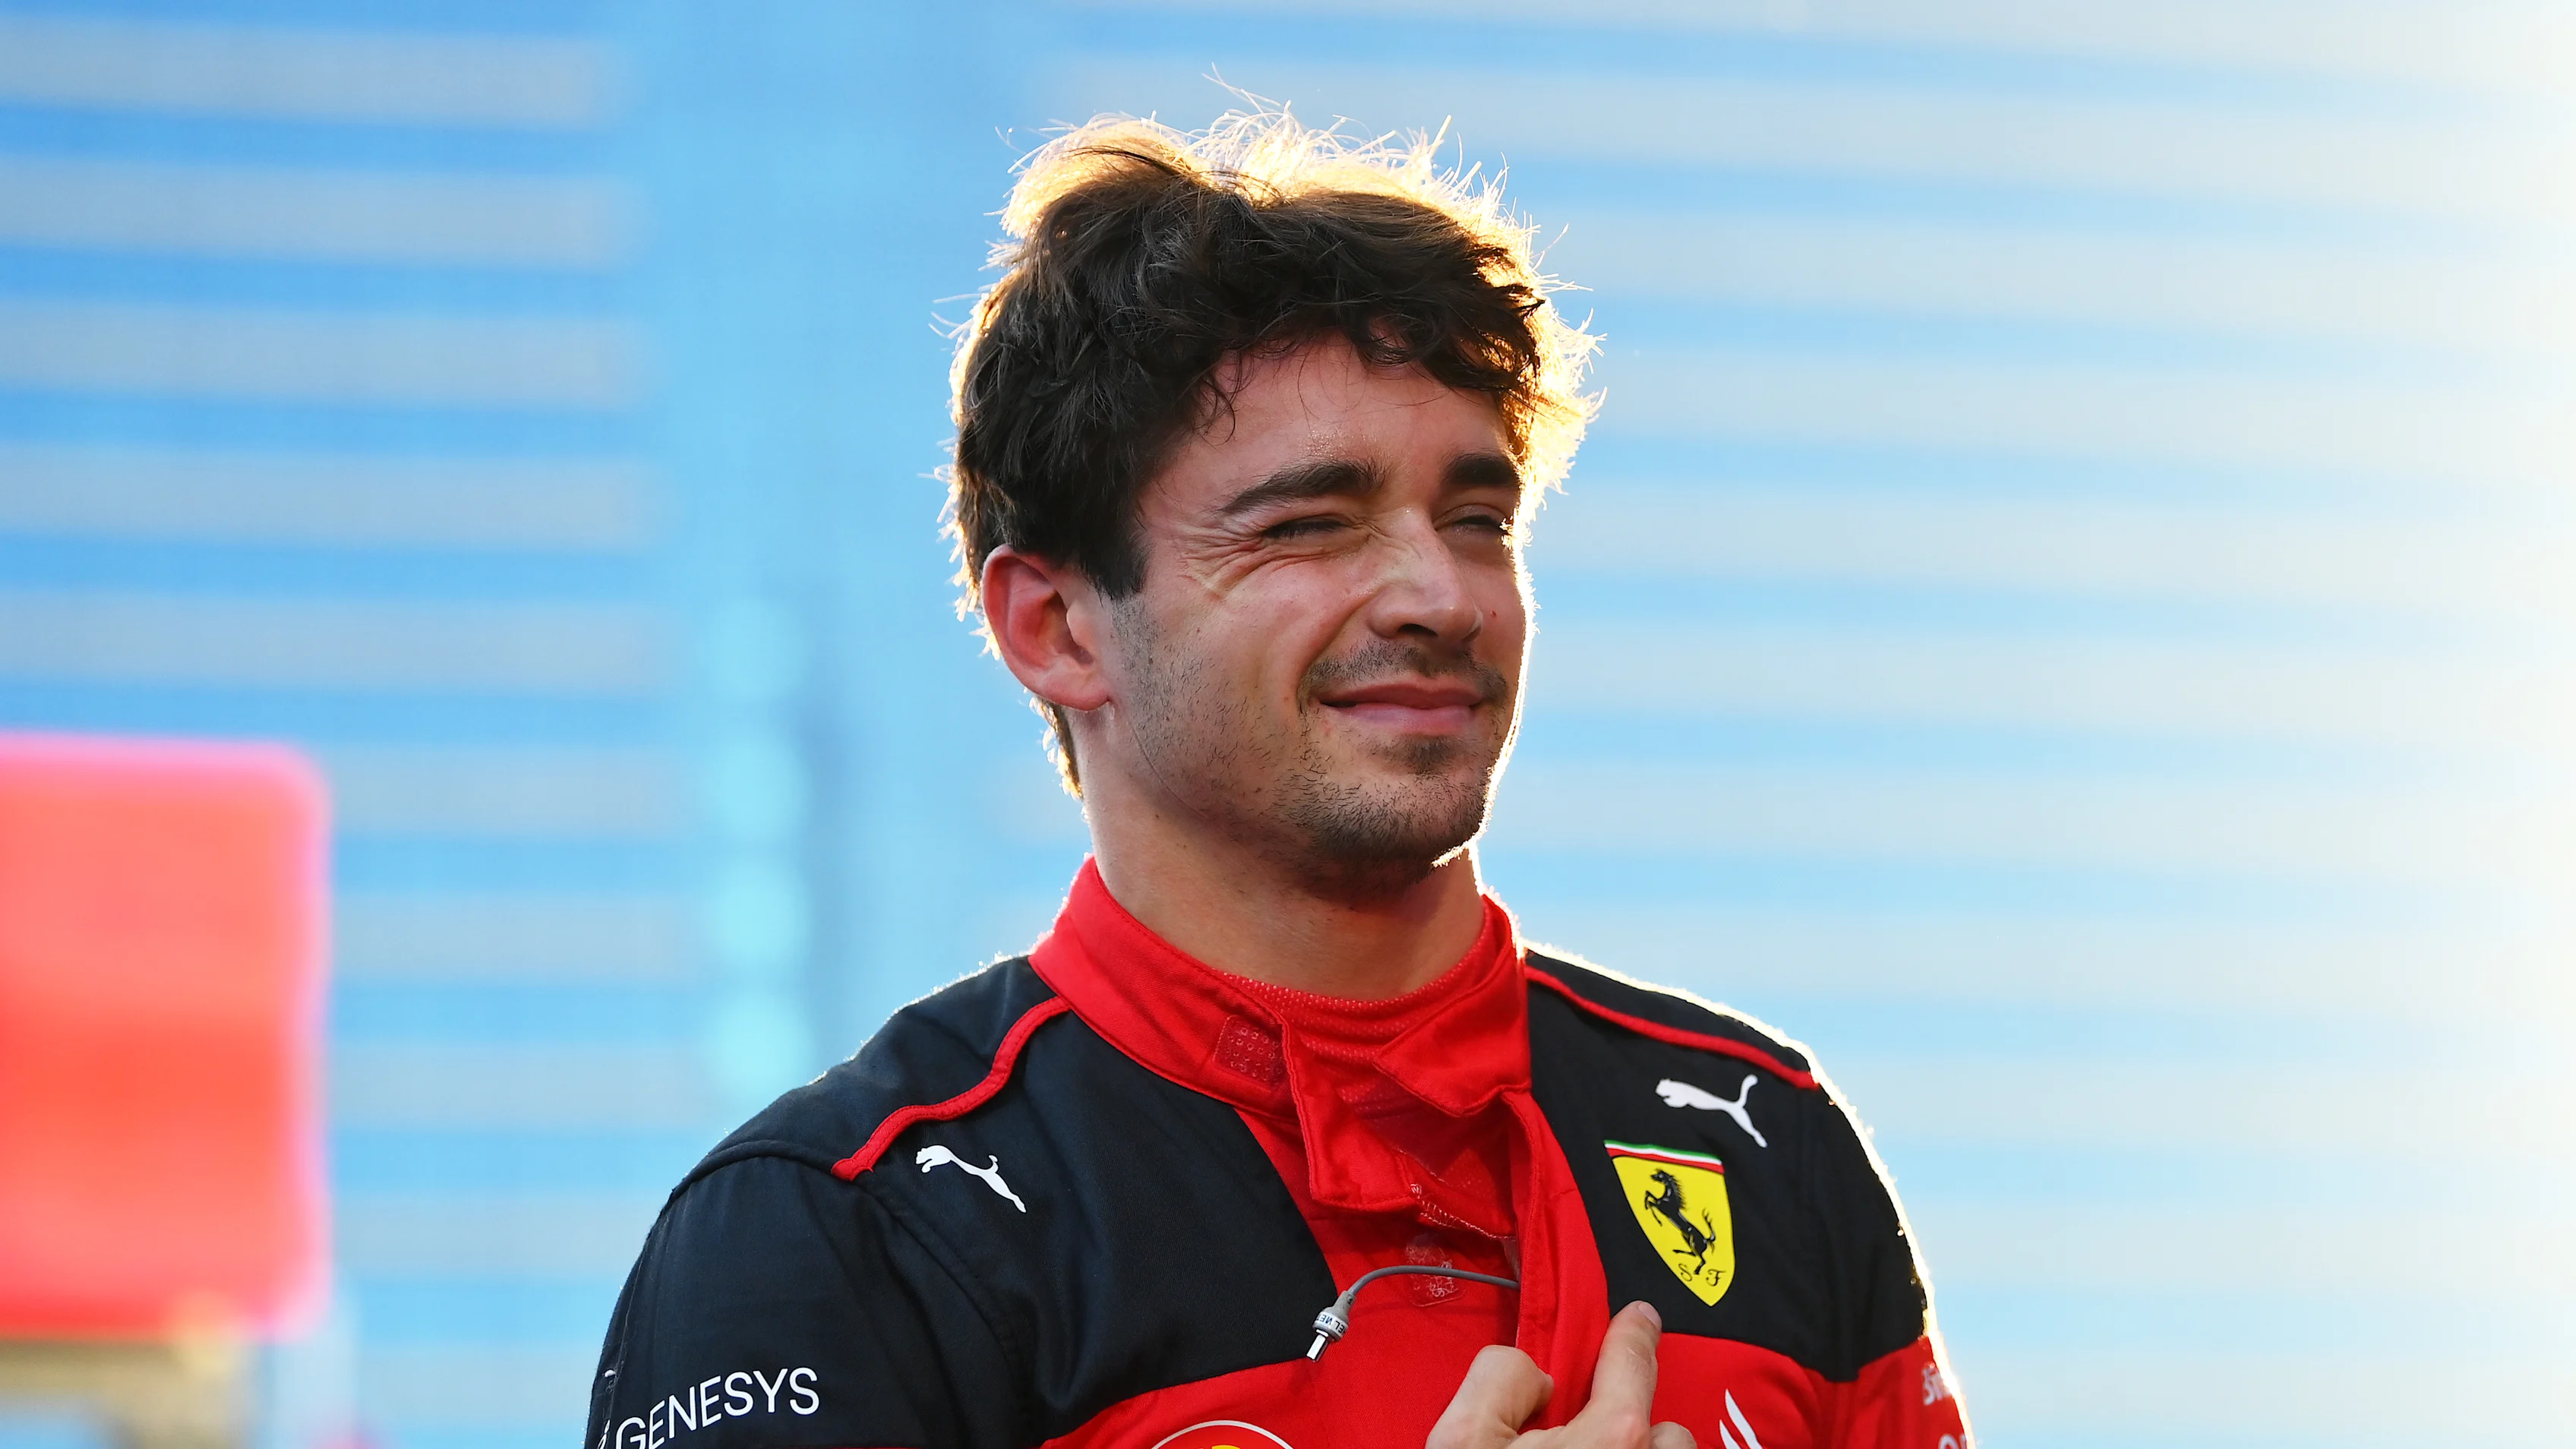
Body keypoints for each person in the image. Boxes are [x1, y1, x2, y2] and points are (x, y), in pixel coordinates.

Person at [586, 112, 1970, 1449]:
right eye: (1310, 526)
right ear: (1057, 629)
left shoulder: (1764, 1140)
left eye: (1477, 519)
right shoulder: (834, 1232)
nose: (1440, 592)